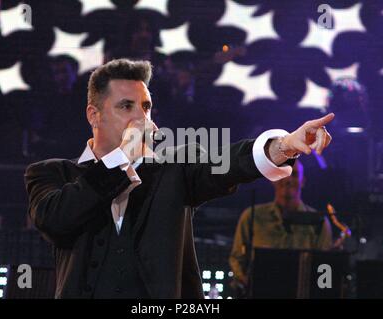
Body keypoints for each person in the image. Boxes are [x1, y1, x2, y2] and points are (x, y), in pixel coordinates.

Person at [24, 58, 334, 298]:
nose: (140, 118)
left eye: (146, 107)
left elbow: (228, 162)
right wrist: (123, 157)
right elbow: (54, 220)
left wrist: (282, 146)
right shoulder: (51, 173)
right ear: (94, 115)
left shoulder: (174, 168)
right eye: (126, 106)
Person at [229, 160, 333, 289]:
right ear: (272, 179)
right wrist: (247, 283)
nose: (288, 179)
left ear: (303, 181)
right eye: (282, 173)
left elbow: (324, 267)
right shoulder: (252, 216)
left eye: (294, 174)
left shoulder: (319, 222)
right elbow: (237, 258)